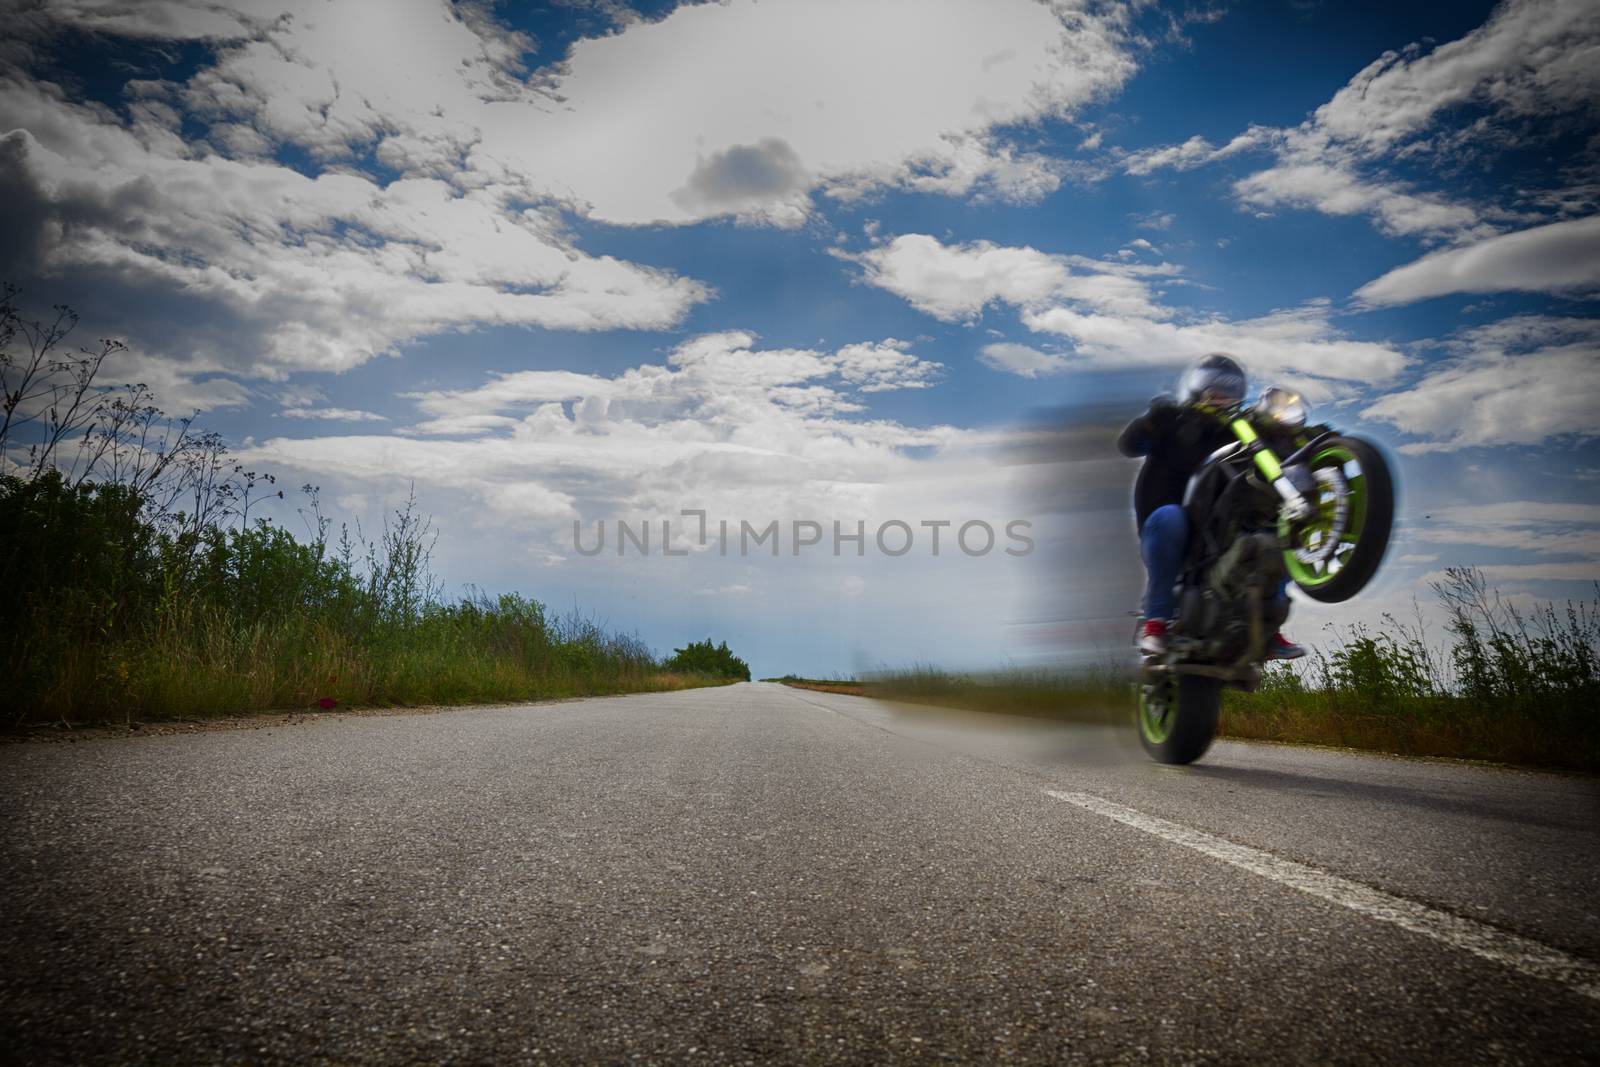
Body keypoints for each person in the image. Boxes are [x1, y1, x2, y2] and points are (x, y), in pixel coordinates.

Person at [1116, 353, 1305, 660]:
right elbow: (1128, 446)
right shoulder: (1172, 422)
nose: (1221, 394)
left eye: (1229, 388)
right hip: (1173, 527)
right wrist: (1153, 420)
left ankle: (1270, 627)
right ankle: (1156, 622)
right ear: (1194, 386)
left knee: (1277, 529)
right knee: (1170, 517)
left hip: (1222, 526)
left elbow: (1278, 458)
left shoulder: (1242, 430)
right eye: (1212, 386)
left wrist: (1290, 434)